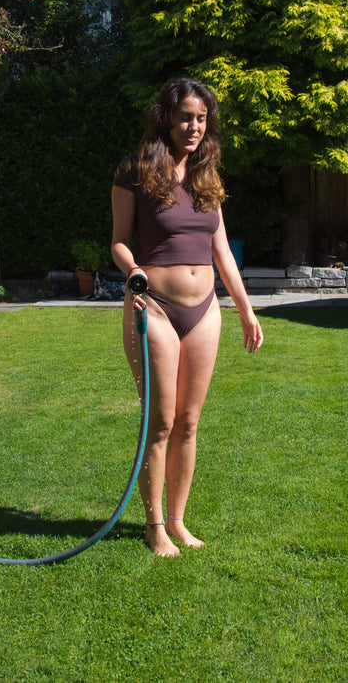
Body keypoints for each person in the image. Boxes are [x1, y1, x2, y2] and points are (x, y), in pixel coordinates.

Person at [111, 77, 263, 557]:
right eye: (185, 117)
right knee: (160, 421)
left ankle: (177, 520)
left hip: (205, 310)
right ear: (166, 119)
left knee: (190, 422)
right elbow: (118, 240)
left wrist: (244, 307)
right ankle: (153, 525)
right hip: (153, 305)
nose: (193, 127)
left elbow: (220, 249)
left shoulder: (206, 175)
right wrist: (133, 269)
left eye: (201, 119)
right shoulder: (135, 171)